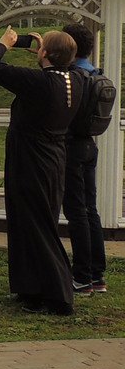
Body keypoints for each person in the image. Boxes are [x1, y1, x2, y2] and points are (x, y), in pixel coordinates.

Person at [0, 26, 83, 315]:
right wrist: (43, 49)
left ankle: (59, 295)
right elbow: (62, 62)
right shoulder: (75, 78)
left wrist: (5, 43)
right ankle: (31, 290)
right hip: (54, 156)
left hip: (31, 158)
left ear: (46, 54)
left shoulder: (38, 82)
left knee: (36, 225)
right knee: (31, 221)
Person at [62, 22, 107, 295]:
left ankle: (81, 277)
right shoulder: (95, 74)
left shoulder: (74, 77)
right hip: (90, 146)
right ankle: (97, 275)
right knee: (90, 209)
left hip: (71, 147)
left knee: (76, 212)